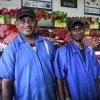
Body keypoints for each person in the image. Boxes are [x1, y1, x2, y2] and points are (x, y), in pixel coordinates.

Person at [0, 7, 57, 100]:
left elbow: (57, 75)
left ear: (36, 23)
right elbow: (7, 83)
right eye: (22, 21)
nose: (27, 24)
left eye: (31, 20)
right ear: (16, 24)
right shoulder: (11, 50)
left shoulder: (48, 45)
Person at [53, 18, 100, 100]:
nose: (78, 32)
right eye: (74, 30)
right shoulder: (63, 52)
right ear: (69, 32)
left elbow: (95, 79)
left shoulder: (91, 52)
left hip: (93, 95)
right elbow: (59, 79)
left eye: (80, 29)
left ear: (84, 30)